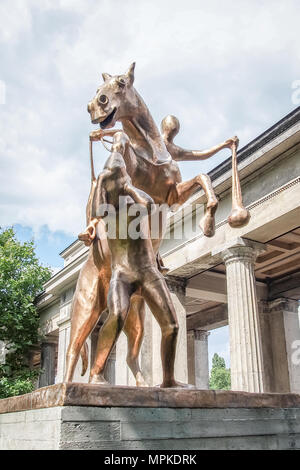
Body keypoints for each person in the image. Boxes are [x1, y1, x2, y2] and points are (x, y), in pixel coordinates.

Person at [89, 134, 181, 388]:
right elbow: (97, 210)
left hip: (148, 271)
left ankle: (169, 379)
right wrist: (104, 183)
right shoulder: (107, 212)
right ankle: (96, 373)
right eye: (116, 178)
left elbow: (150, 204)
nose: (122, 180)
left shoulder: (133, 201)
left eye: (122, 176)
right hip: (123, 275)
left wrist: (128, 185)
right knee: (117, 314)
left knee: (171, 325)